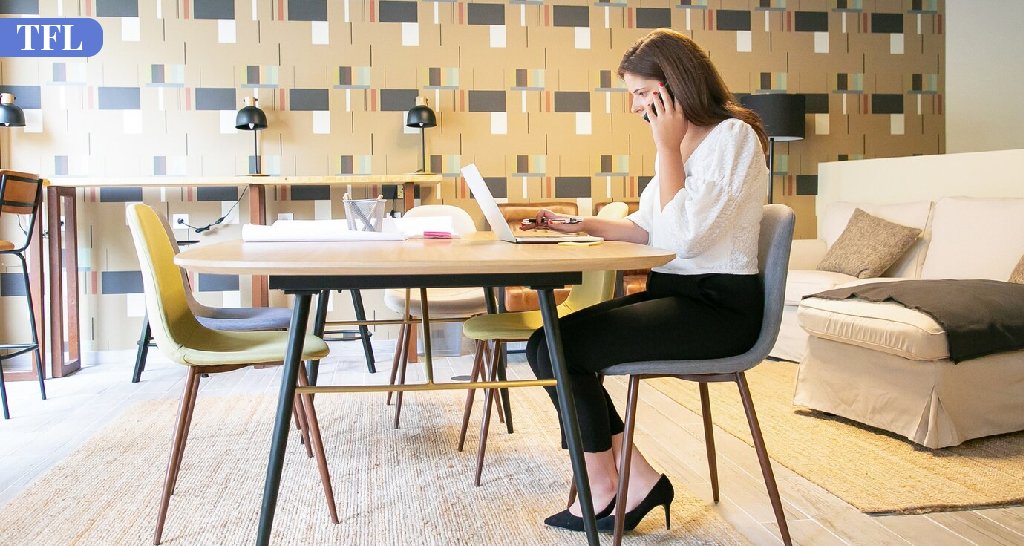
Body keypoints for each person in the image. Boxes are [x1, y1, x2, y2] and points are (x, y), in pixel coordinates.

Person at [521, 28, 770, 533]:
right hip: (675, 295)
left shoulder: (733, 139)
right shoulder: (680, 143)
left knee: (563, 348)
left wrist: (667, 149)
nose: (635, 106)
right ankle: (634, 477)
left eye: (641, 93)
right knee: (544, 343)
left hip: (718, 311)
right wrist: (577, 224)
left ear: (674, 84)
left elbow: (682, 240)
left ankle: (602, 484)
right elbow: (647, 227)